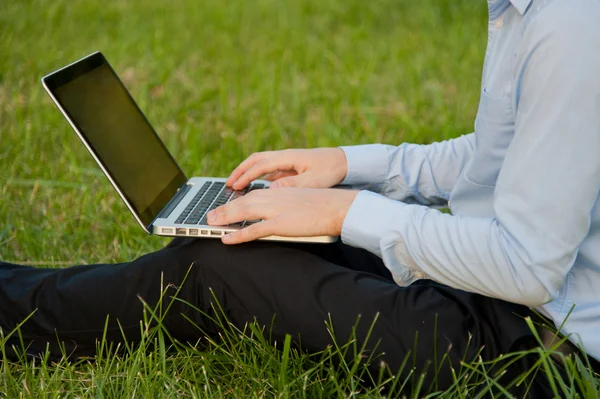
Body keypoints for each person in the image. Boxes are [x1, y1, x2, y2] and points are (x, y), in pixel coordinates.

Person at [2, 0, 599, 395]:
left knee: (217, 269)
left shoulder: (570, 27)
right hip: (489, 287)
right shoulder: (528, 10)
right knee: (253, 240)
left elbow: (527, 265)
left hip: (539, 352)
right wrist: (349, 167)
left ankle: (14, 312)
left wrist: (343, 211)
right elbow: (498, 158)